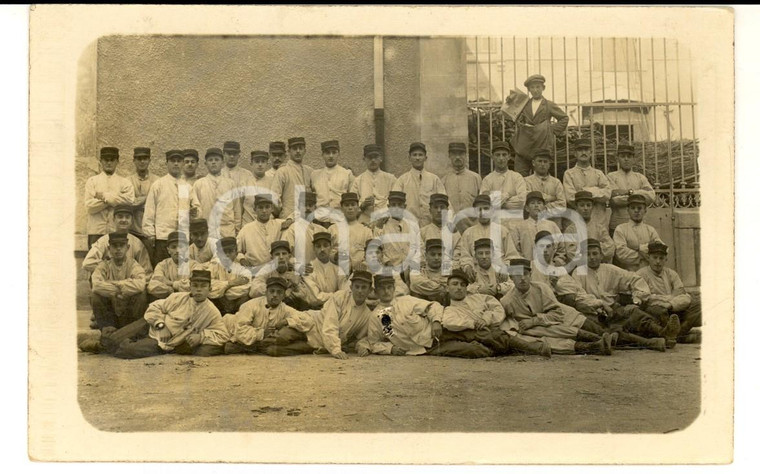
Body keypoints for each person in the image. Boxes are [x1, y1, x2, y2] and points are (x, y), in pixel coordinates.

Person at [572, 239, 679, 349]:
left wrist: (638, 297)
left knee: (633, 311)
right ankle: (654, 342)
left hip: (613, 310)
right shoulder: (578, 272)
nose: (592, 257)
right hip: (593, 314)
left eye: (595, 253)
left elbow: (634, 279)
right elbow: (579, 296)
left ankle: (663, 333)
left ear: (601, 254)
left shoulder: (610, 269)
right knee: (615, 330)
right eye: (587, 254)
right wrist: (601, 304)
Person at [102, 270, 228, 359]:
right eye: (195, 286)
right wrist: (159, 323)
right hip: (149, 325)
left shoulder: (212, 311)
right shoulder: (178, 298)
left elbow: (222, 334)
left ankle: (119, 343)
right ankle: (108, 342)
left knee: (125, 351)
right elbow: (154, 307)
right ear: (190, 287)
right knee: (112, 341)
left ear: (210, 289)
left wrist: (201, 337)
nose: (199, 290)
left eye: (203, 286)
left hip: (162, 342)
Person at [500, 258, 613, 356]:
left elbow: (557, 314)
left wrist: (534, 321)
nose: (522, 278)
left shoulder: (541, 289)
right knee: (549, 337)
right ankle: (597, 345)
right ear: (511, 278)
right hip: (541, 330)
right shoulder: (507, 301)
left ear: (530, 275)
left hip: (563, 317)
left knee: (597, 330)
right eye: (517, 275)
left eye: (525, 273)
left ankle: (609, 339)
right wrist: (525, 326)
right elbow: (509, 323)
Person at [440, 269, 551, 357]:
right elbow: (449, 323)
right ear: (447, 288)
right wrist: (474, 323)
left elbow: (498, 309)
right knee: (487, 341)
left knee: (500, 335)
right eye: (455, 284)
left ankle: (533, 348)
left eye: (463, 285)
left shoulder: (480, 298)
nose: (459, 288)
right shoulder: (449, 310)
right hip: (474, 336)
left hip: (494, 331)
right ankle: (534, 348)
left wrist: (486, 319)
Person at [79, 232, 149, 353]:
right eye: (114, 246)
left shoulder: (133, 265)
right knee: (95, 296)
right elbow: (96, 285)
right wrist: (122, 288)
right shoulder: (103, 266)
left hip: (128, 314)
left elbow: (140, 284)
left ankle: (128, 333)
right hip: (111, 314)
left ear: (127, 248)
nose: (118, 249)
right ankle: (108, 330)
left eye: (121, 245)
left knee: (141, 295)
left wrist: (117, 285)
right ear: (109, 248)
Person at [356, 275, 450, 357]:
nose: (386, 291)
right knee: (463, 348)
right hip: (421, 349)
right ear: (376, 292)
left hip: (438, 333)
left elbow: (433, 306)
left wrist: (436, 322)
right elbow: (374, 343)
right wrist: (390, 348)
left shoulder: (406, 301)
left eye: (389, 287)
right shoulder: (376, 316)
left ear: (394, 288)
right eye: (382, 288)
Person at [224, 276, 314, 357]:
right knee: (230, 347)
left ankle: (262, 347)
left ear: (283, 296)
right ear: (266, 292)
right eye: (272, 291)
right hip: (248, 338)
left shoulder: (285, 308)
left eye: (279, 292)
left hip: (268, 341)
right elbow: (240, 329)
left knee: (277, 342)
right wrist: (262, 333)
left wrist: (287, 321)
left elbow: (307, 320)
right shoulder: (251, 305)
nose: (275, 295)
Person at [637, 242, 701, 344]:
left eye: (661, 258)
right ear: (648, 257)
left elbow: (684, 296)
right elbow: (644, 298)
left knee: (699, 305)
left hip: (673, 309)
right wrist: (671, 297)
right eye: (655, 257)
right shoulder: (641, 274)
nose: (658, 261)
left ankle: (676, 334)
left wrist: (670, 305)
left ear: (666, 259)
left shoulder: (671, 274)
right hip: (656, 313)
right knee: (658, 310)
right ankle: (679, 335)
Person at [303, 270, 375, 359]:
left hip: (320, 342)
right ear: (351, 287)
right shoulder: (339, 298)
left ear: (370, 290)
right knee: (284, 337)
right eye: (357, 287)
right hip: (310, 325)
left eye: (364, 287)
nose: (360, 291)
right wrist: (336, 350)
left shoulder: (367, 314)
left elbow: (361, 337)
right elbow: (330, 325)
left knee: (287, 349)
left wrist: (362, 347)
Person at [510, 74, 569, 176]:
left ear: (543, 88)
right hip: (525, 144)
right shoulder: (523, 103)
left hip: (542, 143)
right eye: (532, 87)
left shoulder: (548, 105)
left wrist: (550, 130)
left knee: (541, 173)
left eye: (538, 87)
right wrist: (510, 103)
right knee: (520, 174)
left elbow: (564, 118)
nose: (535, 90)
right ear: (529, 89)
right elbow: (511, 115)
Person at [143, 149, 192, 264]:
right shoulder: (158, 185)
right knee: (162, 269)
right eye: (172, 161)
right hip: (163, 238)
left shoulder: (187, 187)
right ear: (166, 163)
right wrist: (150, 234)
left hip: (182, 237)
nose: (176, 164)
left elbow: (196, 210)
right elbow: (149, 211)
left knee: (182, 271)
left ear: (183, 163)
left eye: (179, 161)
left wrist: (194, 212)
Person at [457, 194, 520, 282]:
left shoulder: (502, 231)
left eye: (486, 209)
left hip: (500, 276)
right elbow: (465, 256)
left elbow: (512, 255)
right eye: (479, 210)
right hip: (477, 277)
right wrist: (467, 266)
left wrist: (505, 267)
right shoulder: (468, 233)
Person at [82, 204, 153, 278]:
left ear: (132, 221)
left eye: (127, 217)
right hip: (108, 284)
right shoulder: (104, 240)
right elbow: (88, 262)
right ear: (113, 219)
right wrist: (111, 268)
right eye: (120, 216)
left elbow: (147, 271)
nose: (124, 220)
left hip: (129, 284)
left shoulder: (137, 243)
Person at [84, 147, 135, 248]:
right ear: (101, 161)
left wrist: (104, 196)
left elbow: (129, 201)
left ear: (117, 162)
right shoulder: (92, 181)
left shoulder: (124, 183)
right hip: (96, 231)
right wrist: (115, 199)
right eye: (106, 160)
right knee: (95, 261)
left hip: (116, 231)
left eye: (112, 160)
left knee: (116, 262)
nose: (109, 163)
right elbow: (89, 207)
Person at [390, 142, 445, 228]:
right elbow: (393, 203)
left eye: (420, 155)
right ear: (409, 158)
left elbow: (445, 202)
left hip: (430, 226)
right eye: (414, 155)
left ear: (425, 158)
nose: (417, 158)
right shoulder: (402, 180)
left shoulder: (434, 179)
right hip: (408, 227)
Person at [248, 241, 316, 310]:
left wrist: (295, 287)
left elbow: (303, 294)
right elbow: (253, 291)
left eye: (284, 254)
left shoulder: (295, 269)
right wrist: (278, 290)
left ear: (289, 256)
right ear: (272, 258)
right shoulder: (267, 269)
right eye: (277, 254)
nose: (281, 257)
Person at [606, 143, 656, 236]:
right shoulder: (611, 177)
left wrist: (628, 192)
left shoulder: (640, 177)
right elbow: (615, 200)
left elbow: (651, 196)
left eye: (629, 156)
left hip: (638, 225)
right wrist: (640, 195)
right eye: (622, 156)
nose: (626, 159)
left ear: (633, 159)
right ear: (618, 159)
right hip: (617, 225)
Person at [190, 147, 239, 238]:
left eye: (217, 160)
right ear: (205, 163)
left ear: (222, 163)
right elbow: (196, 210)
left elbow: (237, 210)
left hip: (227, 230)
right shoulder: (199, 184)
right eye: (210, 160)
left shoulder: (230, 184)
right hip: (207, 231)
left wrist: (237, 230)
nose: (213, 162)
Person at [563, 138, 611, 229]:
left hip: (598, 220)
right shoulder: (569, 174)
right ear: (575, 154)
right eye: (580, 150)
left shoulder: (598, 173)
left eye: (586, 150)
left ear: (591, 153)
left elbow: (607, 194)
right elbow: (570, 197)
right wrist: (596, 191)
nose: (583, 152)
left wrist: (584, 191)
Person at [510, 191, 567, 265]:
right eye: (532, 203)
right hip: (528, 268)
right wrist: (524, 264)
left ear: (544, 207)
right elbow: (515, 250)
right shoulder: (519, 227)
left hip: (549, 267)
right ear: (527, 208)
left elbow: (561, 248)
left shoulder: (552, 225)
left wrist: (556, 261)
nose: (536, 205)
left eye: (539, 203)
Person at [373, 190, 420, 278]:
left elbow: (418, 246)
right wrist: (386, 261)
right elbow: (378, 249)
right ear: (388, 207)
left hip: (410, 267)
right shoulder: (383, 226)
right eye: (393, 205)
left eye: (400, 205)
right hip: (390, 268)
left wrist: (414, 261)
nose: (396, 208)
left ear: (404, 207)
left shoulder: (412, 225)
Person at [612, 194, 664, 271]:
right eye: (633, 208)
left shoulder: (650, 230)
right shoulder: (620, 229)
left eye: (639, 208)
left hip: (649, 273)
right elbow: (621, 254)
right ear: (628, 210)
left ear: (645, 210)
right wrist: (642, 252)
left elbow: (661, 248)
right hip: (628, 273)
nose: (636, 211)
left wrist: (635, 248)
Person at [237, 194, 288, 270]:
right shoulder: (246, 229)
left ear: (272, 208)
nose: (264, 211)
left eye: (267, 207)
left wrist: (290, 220)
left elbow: (298, 218)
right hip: (254, 270)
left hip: (276, 270)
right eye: (260, 207)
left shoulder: (279, 224)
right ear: (254, 209)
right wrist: (242, 259)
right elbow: (236, 250)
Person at [564, 191, 616, 264]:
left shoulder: (599, 227)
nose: (585, 208)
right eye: (582, 205)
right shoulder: (570, 230)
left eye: (588, 205)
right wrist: (597, 249)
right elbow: (571, 253)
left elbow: (610, 248)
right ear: (576, 207)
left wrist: (582, 248)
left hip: (599, 266)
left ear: (592, 207)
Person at [205, 237, 252, 315]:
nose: (226, 255)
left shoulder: (243, 269)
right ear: (218, 254)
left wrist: (220, 291)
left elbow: (245, 289)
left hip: (237, 305)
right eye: (223, 252)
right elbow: (208, 286)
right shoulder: (213, 267)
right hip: (217, 306)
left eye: (230, 252)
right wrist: (229, 284)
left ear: (236, 253)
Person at [329, 192, 375, 271]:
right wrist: (334, 257)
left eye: (353, 204)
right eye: (346, 205)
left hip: (360, 273)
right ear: (342, 208)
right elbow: (326, 253)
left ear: (357, 207)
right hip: (337, 271)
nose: (350, 208)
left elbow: (372, 253)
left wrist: (363, 264)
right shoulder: (333, 229)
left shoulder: (366, 231)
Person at [351, 144, 397, 225]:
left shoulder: (390, 179)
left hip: (386, 221)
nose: (373, 160)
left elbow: (396, 201)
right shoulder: (358, 181)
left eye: (376, 157)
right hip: (364, 221)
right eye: (369, 157)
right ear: (364, 159)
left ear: (381, 158)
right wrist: (362, 205)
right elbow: (351, 204)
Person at [442, 142, 481, 232]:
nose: (458, 157)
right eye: (454, 154)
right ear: (449, 156)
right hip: (453, 229)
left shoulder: (475, 178)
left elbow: (481, 203)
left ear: (466, 155)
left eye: (461, 154)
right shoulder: (444, 180)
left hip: (472, 227)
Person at [147, 231, 199, 300]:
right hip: (168, 301)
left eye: (181, 247)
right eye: (173, 247)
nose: (177, 250)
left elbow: (196, 286)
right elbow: (152, 285)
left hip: (189, 301)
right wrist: (170, 290)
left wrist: (171, 284)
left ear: (186, 249)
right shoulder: (162, 265)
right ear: (168, 250)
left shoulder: (194, 265)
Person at [303, 231, 348, 309]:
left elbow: (345, 293)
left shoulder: (338, 269)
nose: (322, 249)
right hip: (316, 310)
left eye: (325, 245)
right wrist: (337, 295)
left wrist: (338, 296)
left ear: (331, 247)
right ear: (314, 248)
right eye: (318, 246)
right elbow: (315, 298)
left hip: (336, 308)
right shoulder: (308, 269)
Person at [271, 136, 314, 219]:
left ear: (305, 151)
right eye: (294, 148)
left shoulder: (310, 171)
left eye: (300, 148)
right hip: (288, 220)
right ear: (289, 151)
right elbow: (274, 198)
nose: (298, 151)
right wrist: (282, 213)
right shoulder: (282, 171)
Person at [128, 147, 159, 255]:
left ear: (149, 160)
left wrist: (138, 202)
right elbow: (128, 204)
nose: (142, 161)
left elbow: (159, 205)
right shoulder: (127, 181)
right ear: (134, 160)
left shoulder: (157, 181)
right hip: (133, 230)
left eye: (145, 158)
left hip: (150, 232)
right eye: (139, 158)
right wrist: (148, 198)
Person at [419, 193, 462, 271]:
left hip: (450, 272)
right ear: (430, 210)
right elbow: (421, 257)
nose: (439, 211)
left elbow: (458, 256)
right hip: (429, 273)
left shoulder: (454, 233)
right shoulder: (423, 232)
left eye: (442, 207)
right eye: (435, 207)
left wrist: (446, 269)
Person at [480, 141, 528, 211]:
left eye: (504, 155)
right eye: (498, 155)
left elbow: (522, 201)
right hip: (494, 219)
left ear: (509, 156)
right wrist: (506, 195)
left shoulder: (517, 177)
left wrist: (496, 202)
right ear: (492, 156)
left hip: (514, 218)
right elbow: (484, 202)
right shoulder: (487, 179)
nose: (501, 158)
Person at [312, 140, 355, 211]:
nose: (331, 156)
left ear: (338, 154)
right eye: (327, 153)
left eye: (334, 152)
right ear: (322, 155)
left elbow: (353, 199)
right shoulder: (315, 175)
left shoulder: (347, 174)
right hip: (319, 219)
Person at [408, 239, 451, 305]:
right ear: (426, 255)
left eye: (440, 254)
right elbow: (416, 283)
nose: (436, 258)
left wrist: (428, 286)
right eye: (433, 254)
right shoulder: (419, 270)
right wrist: (442, 287)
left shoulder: (449, 270)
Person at [524, 150, 566, 214]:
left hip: (553, 220)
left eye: (545, 161)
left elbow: (562, 205)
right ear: (533, 163)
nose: (543, 164)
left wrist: (545, 208)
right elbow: (525, 201)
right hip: (534, 220)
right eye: (540, 161)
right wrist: (551, 198)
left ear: (549, 164)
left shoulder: (556, 182)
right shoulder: (526, 181)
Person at [241, 150, 275, 227]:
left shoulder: (273, 182)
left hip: (268, 225)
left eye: (263, 161)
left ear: (267, 164)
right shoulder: (244, 183)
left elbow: (276, 207)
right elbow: (239, 208)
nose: (260, 164)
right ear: (251, 164)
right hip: (248, 224)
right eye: (257, 161)